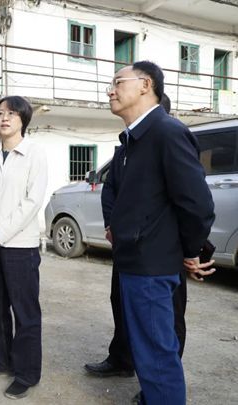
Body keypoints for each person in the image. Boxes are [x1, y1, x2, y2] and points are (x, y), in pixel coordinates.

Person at [99, 62, 215, 404]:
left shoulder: (166, 132)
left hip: (152, 266)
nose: (110, 90)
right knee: (147, 355)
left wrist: (190, 251)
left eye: (118, 82)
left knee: (157, 358)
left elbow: (197, 204)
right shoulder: (134, 139)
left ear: (145, 84)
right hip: (134, 261)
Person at [84, 94, 190, 381]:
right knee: (121, 303)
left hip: (160, 251)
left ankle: (160, 379)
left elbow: (190, 200)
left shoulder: (170, 140)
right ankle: (122, 359)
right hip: (126, 246)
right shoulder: (125, 148)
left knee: (167, 318)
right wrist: (111, 225)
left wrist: (190, 249)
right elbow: (110, 190)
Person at [0, 96, 48, 399]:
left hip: (19, 246)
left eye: (11, 114)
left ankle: (26, 373)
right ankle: (0, 360)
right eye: (0, 113)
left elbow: (32, 201)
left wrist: (0, 233)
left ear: (23, 120)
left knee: (24, 311)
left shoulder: (34, 154)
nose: (4, 118)